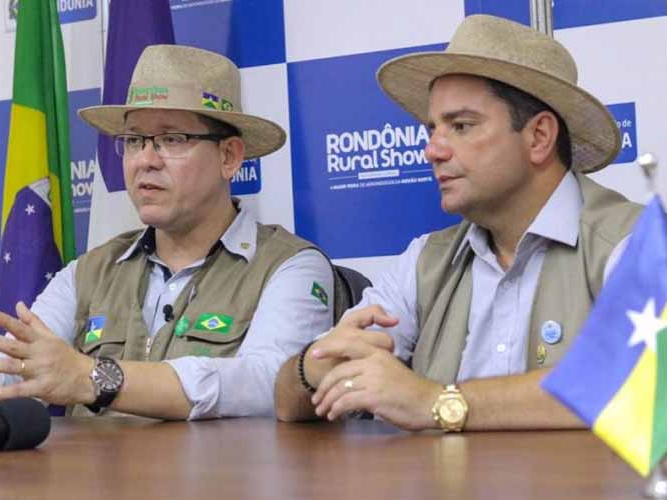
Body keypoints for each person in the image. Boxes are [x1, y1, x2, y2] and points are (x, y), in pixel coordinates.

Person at [0, 45, 335, 420]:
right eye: (133, 140)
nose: (145, 160)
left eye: (172, 138)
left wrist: (96, 378)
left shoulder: (291, 266)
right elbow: (9, 379)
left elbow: (273, 386)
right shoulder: (89, 271)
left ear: (229, 156)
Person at [274, 15, 642, 432]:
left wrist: (436, 402)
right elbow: (287, 403)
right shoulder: (424, 260)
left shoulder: (630, 242)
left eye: (461, 126)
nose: (432, 150)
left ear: (539, 137)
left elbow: (649, 383)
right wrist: (312, 367)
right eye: (432, 129)